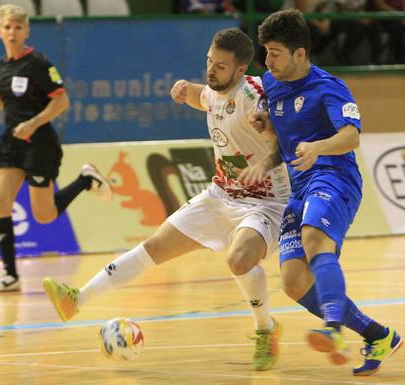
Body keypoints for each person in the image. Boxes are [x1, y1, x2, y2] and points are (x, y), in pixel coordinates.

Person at [42, 28, 288, 371]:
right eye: (208, 61)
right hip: (220, 195)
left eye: (220, 65)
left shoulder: (255, 94)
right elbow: (204, 95)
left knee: (239, 260)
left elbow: (289, 134)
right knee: (154, 247)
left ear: (241, 68)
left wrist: (268, 151)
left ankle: (266, 328)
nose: (211, 69)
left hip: (267, 203)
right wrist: (185, 91)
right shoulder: (215, 91)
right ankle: (76, 299)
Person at [251, 8, 403, 376]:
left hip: (334, 177)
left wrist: (318, 147)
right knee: (293, 281)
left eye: (275, 52)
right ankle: (377, 334)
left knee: (316, 240)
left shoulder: (328, 87)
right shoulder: (269, 85)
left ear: (300, 54)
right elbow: (285, 141)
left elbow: (351, 135)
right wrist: (267, 150)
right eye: (266, 51)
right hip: (299, 186)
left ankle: (333, 330)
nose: (267, 60)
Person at [0, 4, 111, 293]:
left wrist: (33, 123)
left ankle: (85, 179)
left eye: (18, 27)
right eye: (7, 27)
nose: (12, 32)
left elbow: (61, 102)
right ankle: (10, 275)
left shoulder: (39, 65)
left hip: (39, 145)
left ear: (26, 31)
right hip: (11, 143)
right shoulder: (1, 66)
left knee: (44, 216)